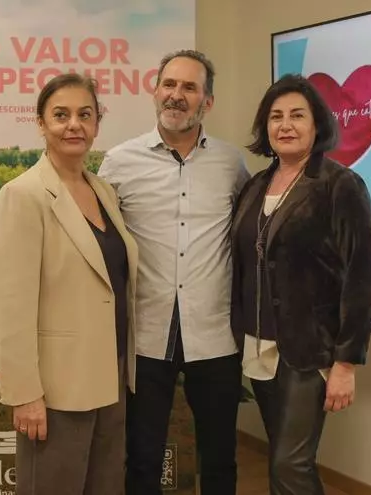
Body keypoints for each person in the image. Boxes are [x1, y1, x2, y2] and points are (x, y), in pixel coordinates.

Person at [97, 49, 250, 495]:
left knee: (220, 458)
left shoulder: (231, 165)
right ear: (155, 91)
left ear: (208, 101)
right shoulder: (118, 163)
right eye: (169, 84)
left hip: (215, 336)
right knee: (142, 458)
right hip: (146, 335)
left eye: (189, 87)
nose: (176, 95)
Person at [0, 73, 138, 495]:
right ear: (41, 123)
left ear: (97, 124)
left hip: (110, 378)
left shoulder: (104, 191)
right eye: (61, 115)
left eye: (84, 115)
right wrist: (24, 394)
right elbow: (11, 307)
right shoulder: (22, 195)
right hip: (56, 391)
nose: (74, 125)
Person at [229, 73, 371, 495]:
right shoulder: (256, 186)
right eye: (275, 117)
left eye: (297, 115)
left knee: (289, 464)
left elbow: (362, 277)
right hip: (259, 344)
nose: (285, 125)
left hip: (309, 351)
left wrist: (346, 364)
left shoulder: (338, 185)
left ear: (317, 124)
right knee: (285, 458)